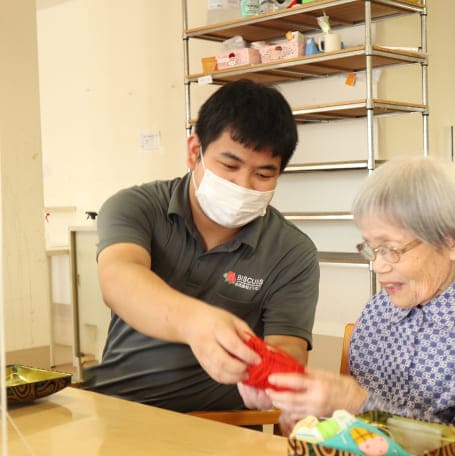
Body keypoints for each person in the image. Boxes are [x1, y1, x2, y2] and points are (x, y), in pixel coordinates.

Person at [265, 156, 455, 455]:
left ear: (453, 242)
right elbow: (357, 432)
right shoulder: (378, 312)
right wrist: (316, 416)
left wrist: (354, 401)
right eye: (371, 249)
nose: (377, 266)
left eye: (391, 249)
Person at [82, 79, 320, 414]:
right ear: (195, 151)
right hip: (122, 409)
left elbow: (287, 348)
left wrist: (271, 379)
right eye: (230, 166)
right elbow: (119, 278)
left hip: (223, 426)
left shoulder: (292, 251)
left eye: (264, 175)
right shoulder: (137, 207)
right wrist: (197, 324)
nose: (243, 185)